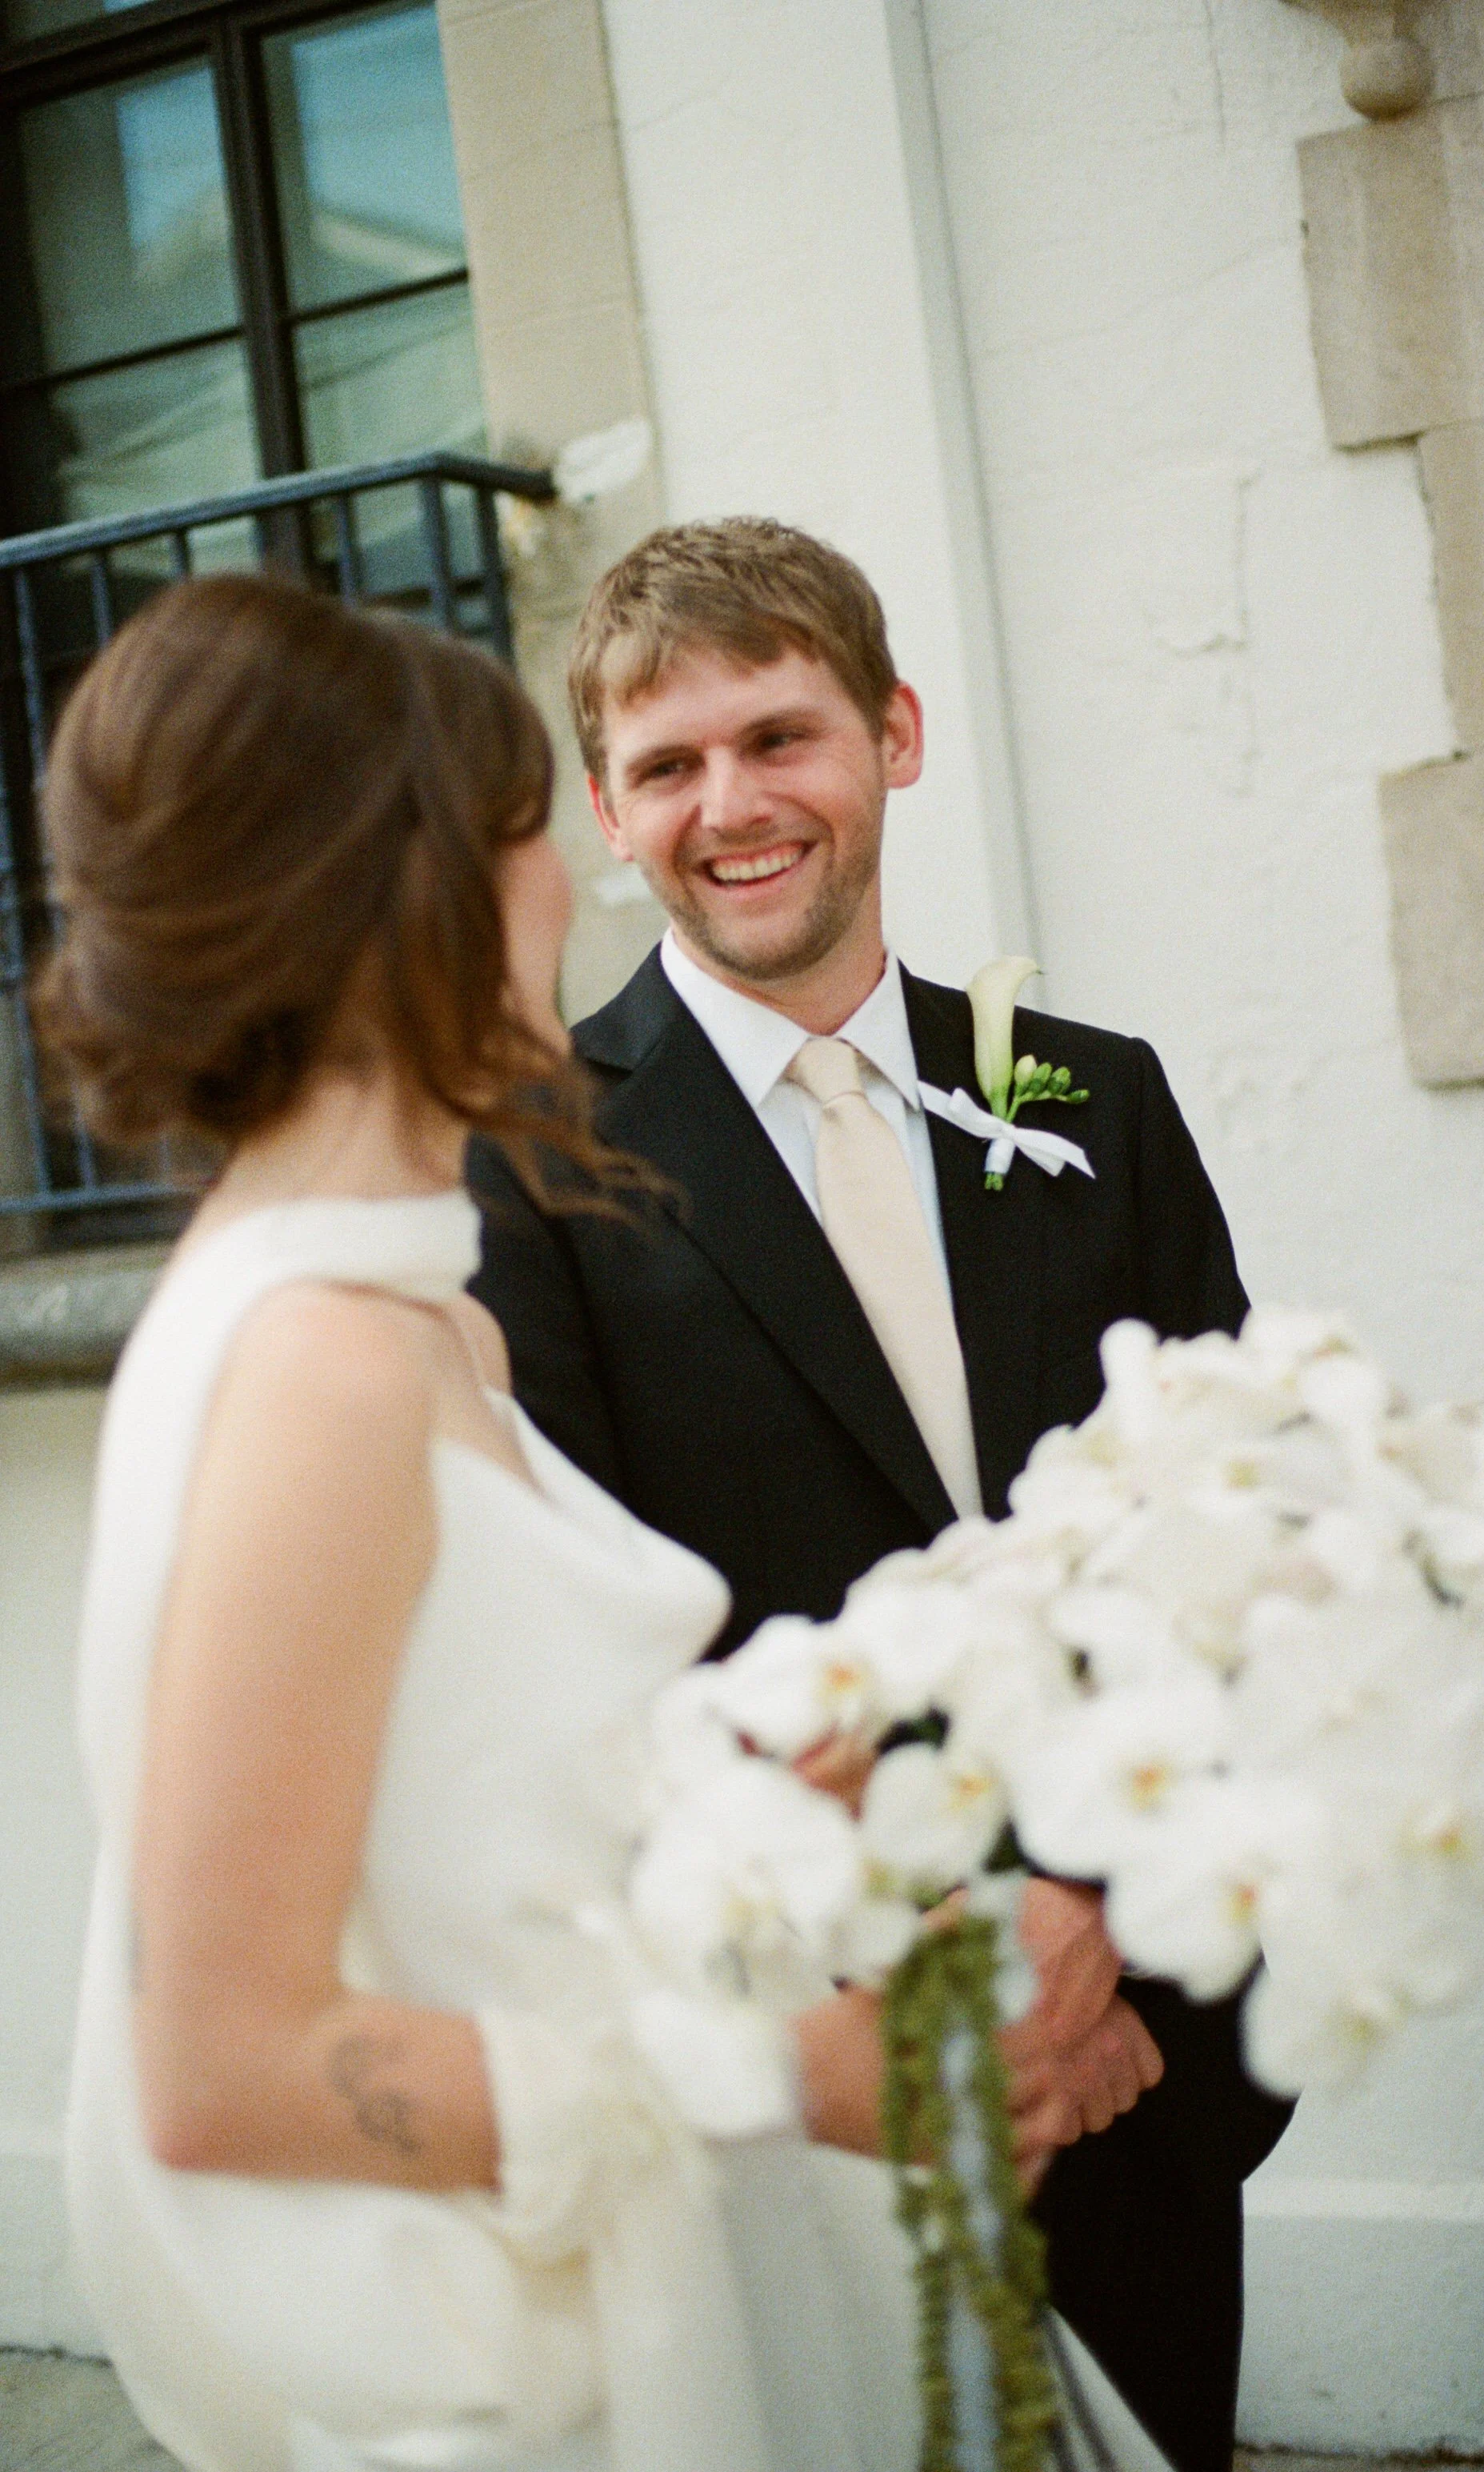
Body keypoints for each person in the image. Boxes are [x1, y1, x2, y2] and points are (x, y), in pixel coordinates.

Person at [44, 571, 1156, 2472]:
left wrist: (726, 1794)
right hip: (597, 2375)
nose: (565, 886)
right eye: (526, 837)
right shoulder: (309, 1364)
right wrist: (781, 2072)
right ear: (425, 887)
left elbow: (457, 1819)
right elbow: (220, 2072)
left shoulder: (402, 1307)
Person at [469, 518, 1295, 2472]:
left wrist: (1085, 1908)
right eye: (667, 765)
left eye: (781, 736)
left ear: (895, 734)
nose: (730, 805)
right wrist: (904, 1972)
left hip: (1131, 2029)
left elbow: (1230, 1522)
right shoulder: (532, 1162)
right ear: (605, 806)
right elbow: (575, 1653)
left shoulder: (1090, 1097)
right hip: (811, 2066)